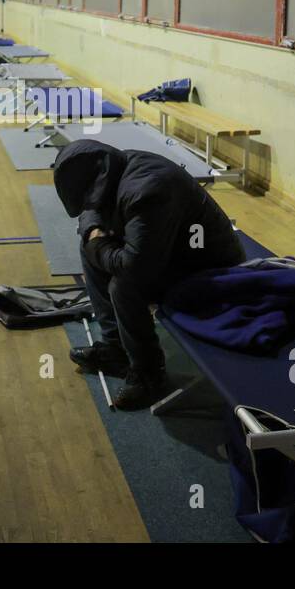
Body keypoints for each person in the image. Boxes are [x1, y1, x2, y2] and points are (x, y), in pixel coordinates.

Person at [52, 139, 246, 410]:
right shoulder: (115, 165)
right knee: (90, 247)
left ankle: (149, 374)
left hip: (208, 267)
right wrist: (93, 237)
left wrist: (99, 243)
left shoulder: (148, 189)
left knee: (124, 285)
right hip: (173, 251)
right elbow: (89, 212)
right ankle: (116, 348)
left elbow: (135, 268)